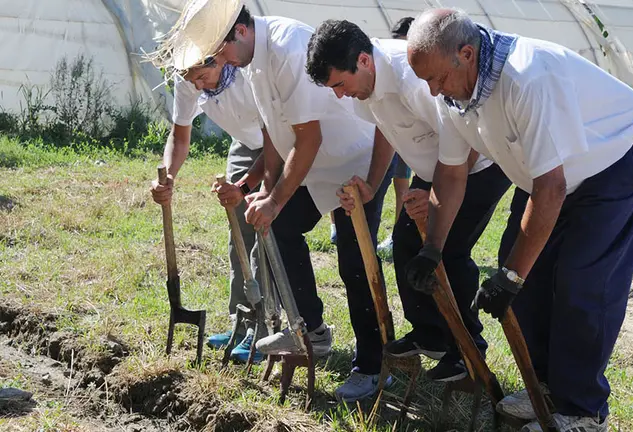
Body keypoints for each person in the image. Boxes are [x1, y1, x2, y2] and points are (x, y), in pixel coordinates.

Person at [405, 8, 633, 432]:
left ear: (466, 54)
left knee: (582, 280)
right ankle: (546, 386)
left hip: (614, 156)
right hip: (550, 171)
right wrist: (433, 247)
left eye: (437, 79)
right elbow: (450, 172)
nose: (433, 91)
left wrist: (510, 278)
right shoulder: (455, 93)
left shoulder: (526, 78)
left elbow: (551, 191)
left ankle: (582, 408)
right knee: (522, 264)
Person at [151, 0, 393, 402]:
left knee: (354, 263)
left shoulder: (286, 46)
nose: (222, 62)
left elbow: (308, 138)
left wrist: (276, 198)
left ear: (240, 33)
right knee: (279, 227)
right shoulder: (251, 62)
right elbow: (274, 135)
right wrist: (264, 188)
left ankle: (373, 365)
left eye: (222, 51)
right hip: (315, 165)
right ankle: (310, 331)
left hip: (354, 159)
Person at [305, 19, 512, 381]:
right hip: (437, 167)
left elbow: (465, 140)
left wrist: (434, 197)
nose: (338, 94)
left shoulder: (414, 78)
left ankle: (468, 350)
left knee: (449, 248)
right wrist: (372, 184)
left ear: (365, 61)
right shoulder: (364, 89)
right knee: (404, 244)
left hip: (478, 165)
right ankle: (432, 336)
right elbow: (387, 130)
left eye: (340, 83)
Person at [148, 55, 266, 364]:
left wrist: (244, 188)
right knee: (239, 230)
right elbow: (180, 135)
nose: (197, 86)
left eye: (203, 77)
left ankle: (264, 329)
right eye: (192, 79)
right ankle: (240, 323)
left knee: (265, 230)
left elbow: (280, 144)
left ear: (219, 60)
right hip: (245, 142)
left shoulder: (250, 73)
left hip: (278, 144)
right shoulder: (189, 77)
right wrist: (169, 176)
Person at [376, 16, 416, 255]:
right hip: (392, 131)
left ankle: (399, 233)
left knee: (403, 184)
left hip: (411, 135)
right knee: (388, 182)